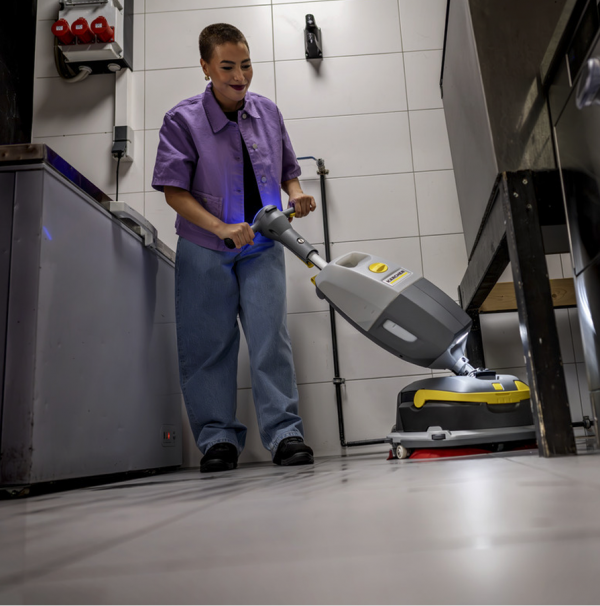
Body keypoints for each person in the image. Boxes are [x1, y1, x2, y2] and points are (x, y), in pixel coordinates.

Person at [152, 23, 316, 473]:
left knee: (270, 340)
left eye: (245, 65)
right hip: (204, 246)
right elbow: (173, 191)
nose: (239, 76)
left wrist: (296, 193)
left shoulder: (268, 112)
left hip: (263, 244)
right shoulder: (182, 120)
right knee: (208, 344)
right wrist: (221, 227)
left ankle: (285, 434)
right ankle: (218, 439)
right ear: (205, 67)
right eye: (227, 67)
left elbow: (287, 168)